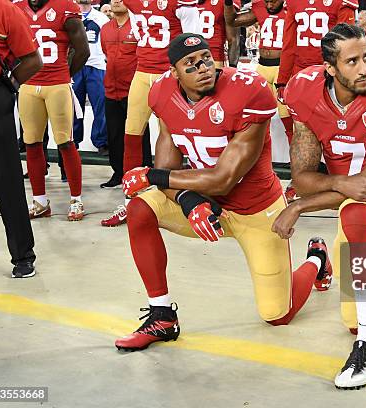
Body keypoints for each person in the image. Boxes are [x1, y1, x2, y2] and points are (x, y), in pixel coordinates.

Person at [114, 33, 333, 351]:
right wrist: (189, 201)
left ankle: (316, 259)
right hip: (205, 205)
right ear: (174, 73)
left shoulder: (248, 90)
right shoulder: (161, 94)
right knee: (140, 208)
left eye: (205, 57)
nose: (202, 66)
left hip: (255, 209)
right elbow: (168, 174)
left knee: (276, 315)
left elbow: (224, 179)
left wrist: (149, 174)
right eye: (190, 63)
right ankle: (162, 317)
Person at [273, 23, 366, 389]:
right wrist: (337, 182)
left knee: (356, 213)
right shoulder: (303, 91)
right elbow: (303, 177)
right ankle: (329, 263)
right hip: (348, 200)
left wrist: (298, 208)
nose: (365, 68)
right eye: (353, 61)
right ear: (330, 68)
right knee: (344, 315)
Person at [100, 0, 200, 227]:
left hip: (168, 74)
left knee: (172, 137)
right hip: (142, 71)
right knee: (132, 134)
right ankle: (130, 201)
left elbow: (193, 41)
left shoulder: (180, 4)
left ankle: (176, 197)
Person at [0, 0, 43, 277]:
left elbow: (32, 59)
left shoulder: (3, 9)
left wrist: (8, 88)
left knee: (7, 182)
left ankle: (22, 256)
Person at [274, 0, 358, 202]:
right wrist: (283, 80)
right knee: (299, 130)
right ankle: (300, 181)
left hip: (329, 74)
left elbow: (349, 41)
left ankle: (344, 177)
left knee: (342, 127)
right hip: (305, 76)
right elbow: (289, 43)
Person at [15, 0, 90, 221]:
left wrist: (64, 76)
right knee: (31, 142)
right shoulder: (17, 8)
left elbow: (83, 51)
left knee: (65, 142)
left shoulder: (65, 6)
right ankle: (39, 201)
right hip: (28, 85)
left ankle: (76, 199)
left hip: (56, 84)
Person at [100, 0, 152, 189]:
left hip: (134, 89)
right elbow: (105, 53)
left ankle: (143, 172)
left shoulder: (138, 26)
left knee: (139, 133)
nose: (115, 1)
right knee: (114, 134)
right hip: (111, 90)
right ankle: (118, 172)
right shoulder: (105, 28)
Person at [224, 0, 292, 141]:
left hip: (283, 68)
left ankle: (298, 159)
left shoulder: (293, 6)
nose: (269, 6)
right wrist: (228, 3)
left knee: (286, 116)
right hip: (262, 66)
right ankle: (260, 155)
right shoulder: (260, 6)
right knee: (258, 116)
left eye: (272, 2)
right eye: (266, 2)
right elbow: (231, 21)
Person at [72, 0, 110, 154]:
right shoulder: (69, 15)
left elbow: (108, 42)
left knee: (101, 105)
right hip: (75, 65)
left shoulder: (102, 18)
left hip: (97, 65)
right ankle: (73, 141)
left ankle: (101, 141)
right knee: (74, 106)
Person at [196, 0, 240, 68]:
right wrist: (232, 68)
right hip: (213, 59)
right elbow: (233, 40)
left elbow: (233, 39)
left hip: (191, 58)